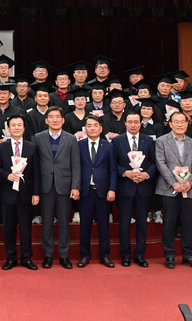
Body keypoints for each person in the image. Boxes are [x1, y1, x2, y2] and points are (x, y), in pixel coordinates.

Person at [33, 106, 80, 269]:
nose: (54, 120)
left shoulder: (71, 139)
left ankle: (64, 255)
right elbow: (35, 164)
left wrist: (75, 186)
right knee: (46, 222)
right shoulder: (38, 138)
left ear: (63, 120)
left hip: (64, 186)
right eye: (51, 117)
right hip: (45, 186)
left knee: (64, 223)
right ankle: (48, 255)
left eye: (57, 117)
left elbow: (76, 164)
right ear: (46, 120)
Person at [154, 111, 192, 269]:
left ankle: (188, 255)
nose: (180, 124)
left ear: (188, 124)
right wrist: (174, 183)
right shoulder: (161, 141)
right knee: (169, 223)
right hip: (169, 189)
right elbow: (161, 164)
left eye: (183, 121)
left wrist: (191, 182)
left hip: (189, 189)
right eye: (176, 121)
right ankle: (169, 255)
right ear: (170, 124)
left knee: (189, 224)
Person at [112, 111, 156, 268]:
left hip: (143, 188)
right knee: (124, 224)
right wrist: (126, 173)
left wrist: (145, 174)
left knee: (142, 224)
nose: (133, 125)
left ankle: (140, 255)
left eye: (136, 122)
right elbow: (113, 163)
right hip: (125, 187)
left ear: (140, 123)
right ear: (125, 123)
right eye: (130, 122)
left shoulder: (148, 140)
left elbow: (154, 163)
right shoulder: (117, 141)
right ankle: (125, 255)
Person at [0, 114, 39, 271]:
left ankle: (27, 258)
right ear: (8, 128)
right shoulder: (1, 147)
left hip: (26, 194)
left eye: (19, 125)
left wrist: (36, 193)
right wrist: (7, 175)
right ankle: (11, 258)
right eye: (13, 125)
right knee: (8, 229)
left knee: (26, 228)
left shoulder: (32, 147)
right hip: (7, 194)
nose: (16, 128)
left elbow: (36, 172)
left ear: (24, 128)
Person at [77, 115, 116, 269]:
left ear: (100, 128)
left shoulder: (109, 146)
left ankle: (104, 255)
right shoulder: (79, 145)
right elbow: (75, 168)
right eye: (89, 125)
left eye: (95, 125)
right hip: (85, 192)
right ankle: (84, 255)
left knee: (104, 226)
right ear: (85, 129)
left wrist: (112, 189)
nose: (92, 128)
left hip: (103, 192)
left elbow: (112, 170)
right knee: (84, 226)